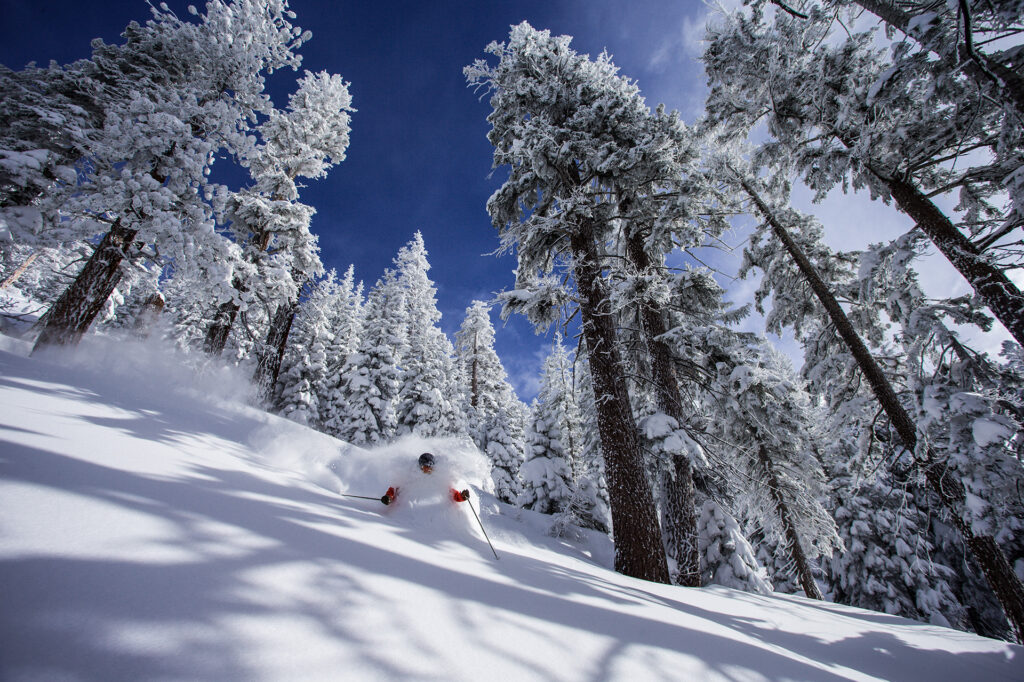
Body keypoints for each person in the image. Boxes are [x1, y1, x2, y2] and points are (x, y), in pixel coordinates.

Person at [381, 452, 471, 506]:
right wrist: (388, 497)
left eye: (429, 466)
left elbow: (453, 495)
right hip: (406, 515)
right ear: (420, 466)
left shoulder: (439, 478)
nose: (427, 469)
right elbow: (394, 488)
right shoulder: (411, 475)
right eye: (425, 466)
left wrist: (462, 497)